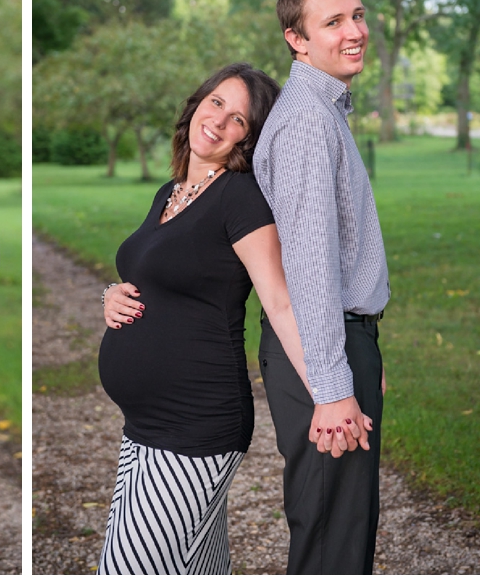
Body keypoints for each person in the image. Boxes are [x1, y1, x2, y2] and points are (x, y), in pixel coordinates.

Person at [97, 63, 362, 575]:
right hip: (144, 426)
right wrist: (111, 294)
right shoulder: (170, 194)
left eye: (238, 118)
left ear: (249, 137)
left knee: (127, 568)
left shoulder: (239, 198)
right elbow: (155, 274)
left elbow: (280, 303)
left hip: (195, 423)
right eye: (216, 102)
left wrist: (334, 392)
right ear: (198, 103)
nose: (219, 121)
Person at [253, 0, 390, 574]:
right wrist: (334, 385)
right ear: (296, 39)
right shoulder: (308, 119)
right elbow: (308, 266)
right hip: (320, 348)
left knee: (341, 523)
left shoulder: (322, 110)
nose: (354, 31)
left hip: (335, 339)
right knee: (332, 536)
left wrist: (362, 358)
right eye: (332, 22)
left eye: (357, 16)